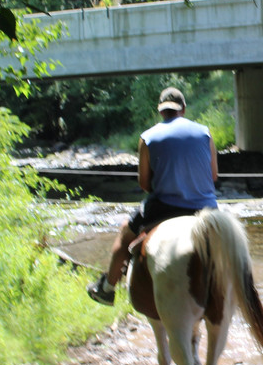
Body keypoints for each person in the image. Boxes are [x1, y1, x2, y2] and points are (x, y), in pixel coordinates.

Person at [87, 87, 219, 305]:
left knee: (124, 234)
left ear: (161, 111)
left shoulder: (147, 138)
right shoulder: (205, 133)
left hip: (164, 206)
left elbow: (145, 184)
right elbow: (213, 176)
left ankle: (107, 288)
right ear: (183, 109)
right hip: (206, 208)